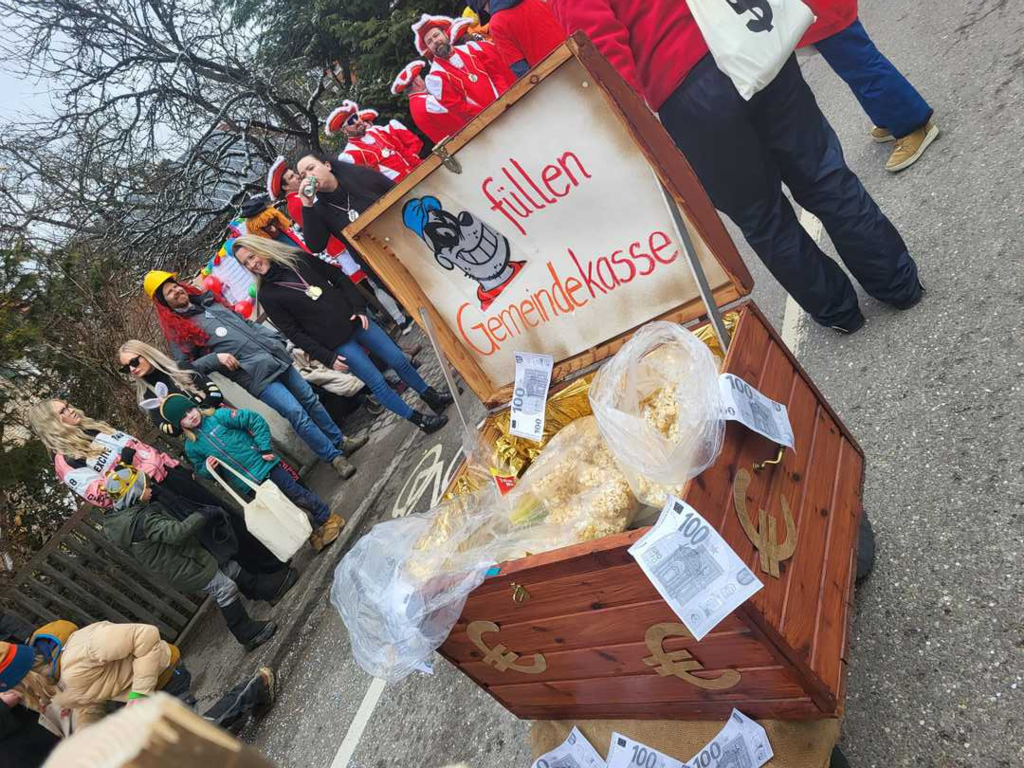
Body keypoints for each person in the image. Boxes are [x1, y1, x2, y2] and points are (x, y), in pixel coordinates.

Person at [550, 1, 923, 334]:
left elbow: (599, 48)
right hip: (747, 35)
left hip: (684, 85)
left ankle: (838, 310)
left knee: (763, 218)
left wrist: (636, 133)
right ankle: (897, 282)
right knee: (823, 175)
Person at [143, 270, 366, 477]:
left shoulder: (208, 302)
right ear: (164, 303)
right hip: (253, 376)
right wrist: (215, 358)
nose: (176, 291)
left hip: (274, 356)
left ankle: (340, 441)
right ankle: (334, 457)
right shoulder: (178, 331)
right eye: (169, 292)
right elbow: (185, 368)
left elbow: (245, 323)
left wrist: (275, 340)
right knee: (296, 413)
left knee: (310, 400)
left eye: (175, 286)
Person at [231, 236, 453, 433]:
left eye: (252, 256)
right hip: (338, 344)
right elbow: (294, 333)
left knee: (399, 360)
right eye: (245, 263)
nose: (252, 264)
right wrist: (328, 358)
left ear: (261, 248)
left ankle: (432, 397)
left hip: (357, 322)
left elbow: (337, 277)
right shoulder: (267, 295)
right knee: (378, 383)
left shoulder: (298, 259)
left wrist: (359, 307)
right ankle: (420, 420)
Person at [116, 339, 292, 574]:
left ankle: (319, 520)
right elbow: (169, 429)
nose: (132, 369)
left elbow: (213, 393)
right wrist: (191, 408)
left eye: (134, 362)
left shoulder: (179, 368)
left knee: (278, 474)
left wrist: (185, 412)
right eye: (125, 368)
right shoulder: (147, 399)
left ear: (145, 353)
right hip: (207, 446)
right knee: (255, 491)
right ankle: (294, 534)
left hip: (229, 429)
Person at [99, 466, 286, 651]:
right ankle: (247, 633)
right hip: (184, 566)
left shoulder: (124, 519)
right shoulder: (143, 521)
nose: (150, 489)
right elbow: (176, 533)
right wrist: (202, 515)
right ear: (134, 493)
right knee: (224, 588)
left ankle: (268, 590)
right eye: (145, 487)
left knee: (230, 567)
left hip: (185, 558)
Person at [0, 620, 276, 735]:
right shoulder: (53, 678)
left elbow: (146, 636)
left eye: (14, 689)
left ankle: (256, 687)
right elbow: (87, 704)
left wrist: (139, 693)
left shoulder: (83, 648)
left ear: (23, 678)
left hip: (165, 677)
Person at [158, 393, 348, 551]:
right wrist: (209, 468)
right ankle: (312, 534)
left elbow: (254, 420)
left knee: (297, 495)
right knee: (283, 510)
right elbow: (202, 470)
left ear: (195, 407)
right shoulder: (192, 447)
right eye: (184, 417)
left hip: (266, 467)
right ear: (180, 425)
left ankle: (329, 519)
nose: (190, 416)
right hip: (248, 484)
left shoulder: (219, 416)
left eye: (190, 410)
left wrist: (264, 447)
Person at [267, 157, 414, 333]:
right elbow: (315, 240)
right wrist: (307, 204)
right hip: (349, 249)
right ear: (285, 187)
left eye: (310, 169)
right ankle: (399, 318)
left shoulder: (356, 177)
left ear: (327, 165)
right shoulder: (302, 201)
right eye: (297, 176)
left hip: (399, 242)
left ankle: (400, 317)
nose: (301, 177)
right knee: (378, 284)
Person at [801, 1, 938, 172]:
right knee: (853, 70)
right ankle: (890, 119)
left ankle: (913, 126)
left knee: (863, 67)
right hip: (819, 12)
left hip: (823, 11)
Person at [413, 14, 515, 135]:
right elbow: (459, 108)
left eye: (436, 35)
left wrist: (505, 99)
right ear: (428, 48)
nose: (435, 41)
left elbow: (495, 75)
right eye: (429, 42)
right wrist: (490, 114)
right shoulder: (435, 78)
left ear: (445, 34)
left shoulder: (471, 49)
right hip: (487, 124)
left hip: (508, 105)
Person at [325, 100, 423, 183]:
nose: (357, 122)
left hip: (418, 172)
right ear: (344, 130)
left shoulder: (378, 130)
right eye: (351, 122)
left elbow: (402, 150)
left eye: (356, 117)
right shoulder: (349, 155)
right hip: (399, 189)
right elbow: (367, 182)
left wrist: (418, 165)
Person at [467, 0, 566, 77]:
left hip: (551, 76)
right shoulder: (533, 1)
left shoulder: (496, 24)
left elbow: (520, 69)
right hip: (571, 52)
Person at [393, 59, 466, 145]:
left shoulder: (414, 106)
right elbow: (455, 112)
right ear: (417, 82)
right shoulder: (427, 101)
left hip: (451, 146)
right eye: (420, 79)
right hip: (463, 138)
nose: (423, 81)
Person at [241, 195, 307, 248]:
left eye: (274, 220)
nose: (273, 228)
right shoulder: (266, 251)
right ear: (256, 230)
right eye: (266, 227)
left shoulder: (285, 230)